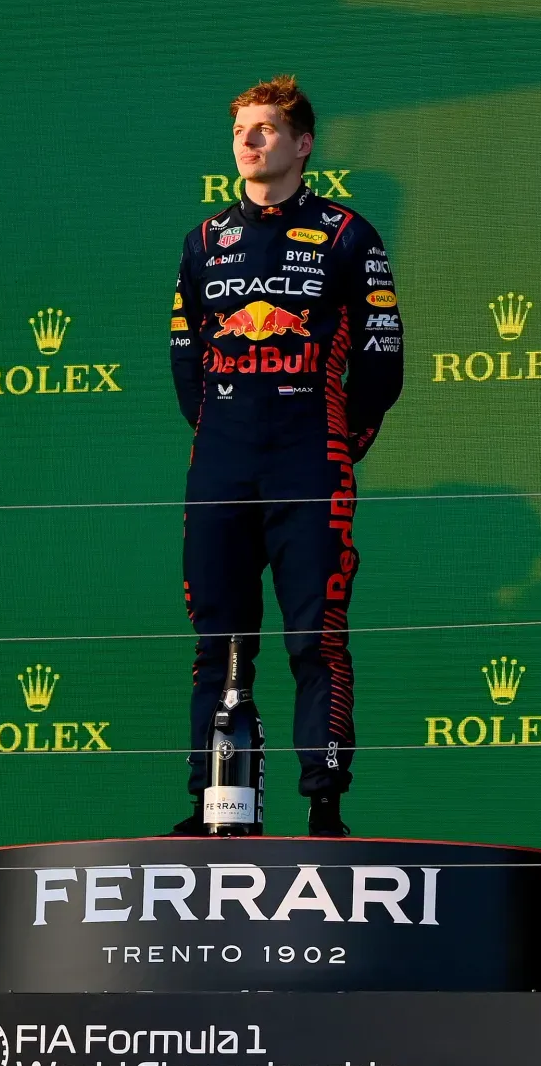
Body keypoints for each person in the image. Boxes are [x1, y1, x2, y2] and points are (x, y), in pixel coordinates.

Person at [169, 76, 404, 837]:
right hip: (222, 465)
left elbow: (381, 362)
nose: (252, 140)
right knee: (217, 643)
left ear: (303, 143)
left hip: (310, 461)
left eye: (267, 128)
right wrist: (224, 432)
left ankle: (323, 803)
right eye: (243, 128)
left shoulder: (348, 235)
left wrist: (340, 439)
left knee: (315, 636)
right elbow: (185, 362)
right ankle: (212, 802)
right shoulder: (202, 241)